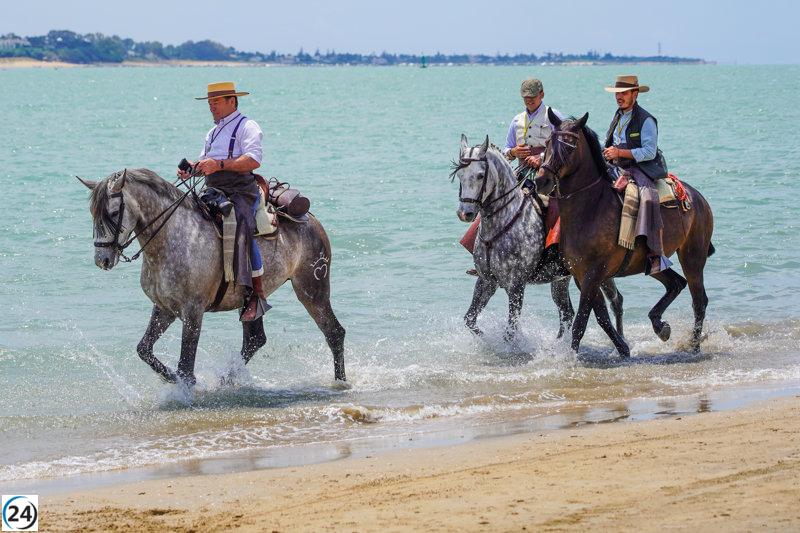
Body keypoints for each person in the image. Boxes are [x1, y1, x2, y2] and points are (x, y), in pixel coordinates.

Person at [177, 81, 268, 321]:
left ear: (231, 101)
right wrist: (192, 170)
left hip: (241, 190)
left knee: (241, 227)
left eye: (216, 102)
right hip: (213, 189)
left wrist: (218, 165)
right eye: (209, 103)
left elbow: (253, 160)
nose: (212, 107)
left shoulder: (247, 126)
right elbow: (205, 164)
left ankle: (256, 295)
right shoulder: (212, 132)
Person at [602, 75, 672, 276]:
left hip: (642, 169)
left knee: (649, 199)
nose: (619, 97)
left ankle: (655, 254)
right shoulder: (618, 116)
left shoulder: (646, 119)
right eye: (617, 94)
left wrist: (619, 153)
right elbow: (611, 144)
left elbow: (649, 152)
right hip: (616, 166)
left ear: (635, 94)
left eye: (623, 93)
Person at [503, 78, 565, 191]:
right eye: (526, 97)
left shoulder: (553, 115)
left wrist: (541, 157)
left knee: (551, 205)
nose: (529, 100)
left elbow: (564, 147)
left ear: (542, 94)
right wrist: (513, 152)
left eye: (532, 97)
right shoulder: (516, 120)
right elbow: (506, 150)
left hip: (549, 175)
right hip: (521, 176)